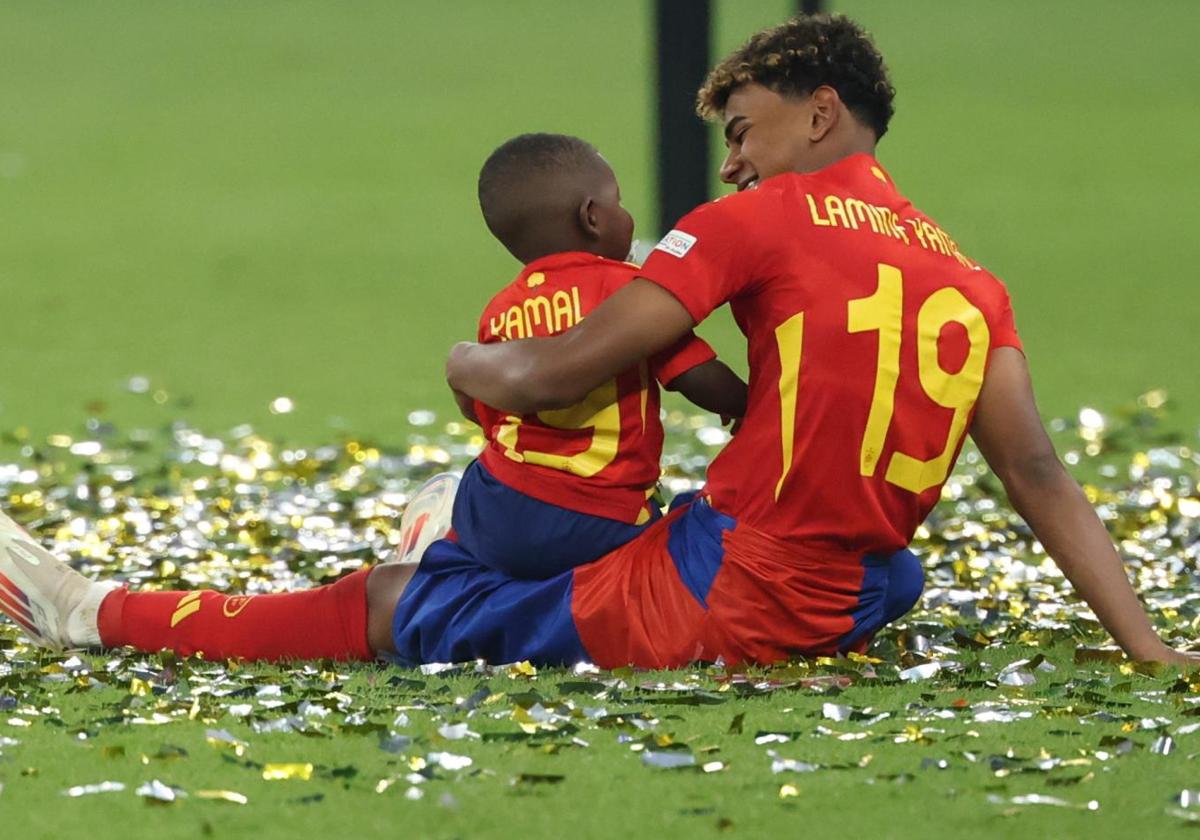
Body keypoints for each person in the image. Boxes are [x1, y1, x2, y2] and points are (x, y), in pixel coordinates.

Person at [1, 14, 1189, 668]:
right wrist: (1142, 642)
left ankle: (82, 608)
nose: (728, 160)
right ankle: (461, 528)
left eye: (744, 127)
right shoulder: (967, 278)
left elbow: (551, 370)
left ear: (819, 113)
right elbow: (1034, 471)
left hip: (729, 594)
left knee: (390, 610)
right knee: (898, 566)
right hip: (850, 590)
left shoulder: (744, 221)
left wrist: (465, 368)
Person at [0, 134, 747, 659]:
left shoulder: (502, 308)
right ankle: (93, 610)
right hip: (610, 530)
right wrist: (747, 403)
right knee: (397, 599)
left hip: (512, 510)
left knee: (397, 590)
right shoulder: (630, 291)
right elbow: (695, 376)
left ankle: (96, 611)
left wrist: (467, 367)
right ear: (593, 215)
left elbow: (492, 407)